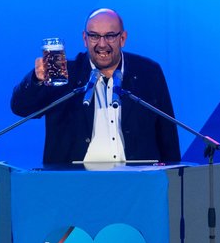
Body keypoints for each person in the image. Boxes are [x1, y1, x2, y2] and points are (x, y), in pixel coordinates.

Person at [11, 8, 181, 164]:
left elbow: (167, 134)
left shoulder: (148, 72)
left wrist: (173, 178)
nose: (102, 44)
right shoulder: (64, 75)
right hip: (75, 182)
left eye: (110, 36)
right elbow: (21, 108)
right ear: (85, 39)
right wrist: (36, 80)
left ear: (122, 38)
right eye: (94, 36)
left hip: (137, 182)